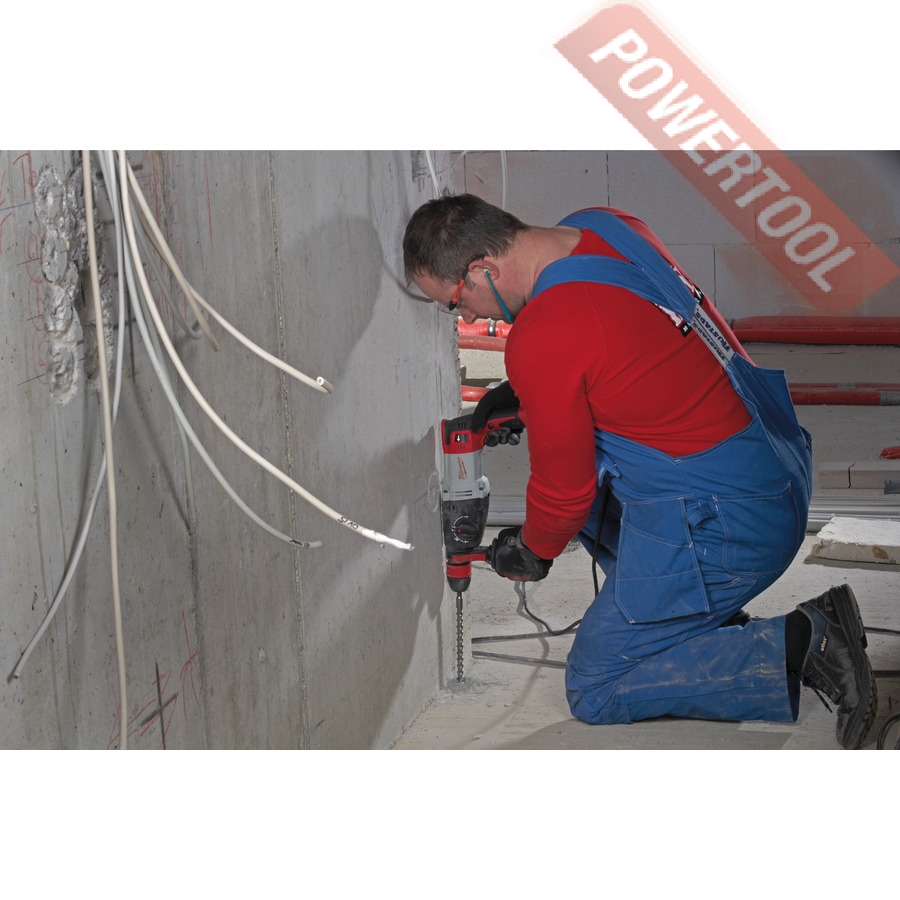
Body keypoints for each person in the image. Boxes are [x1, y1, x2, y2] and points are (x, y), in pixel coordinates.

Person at [403, 192, 878, 749]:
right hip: (776, 465)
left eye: (455, 301)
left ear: (483, 268)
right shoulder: (604, 225)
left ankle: (808, 639)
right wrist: (536, 395)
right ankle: (695, 616)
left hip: (735, 525)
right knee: (598, 492)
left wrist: (532, 549)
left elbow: (563, 494)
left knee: (598, 685)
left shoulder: (546, 333)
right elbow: (626, 350)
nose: (466, 317)